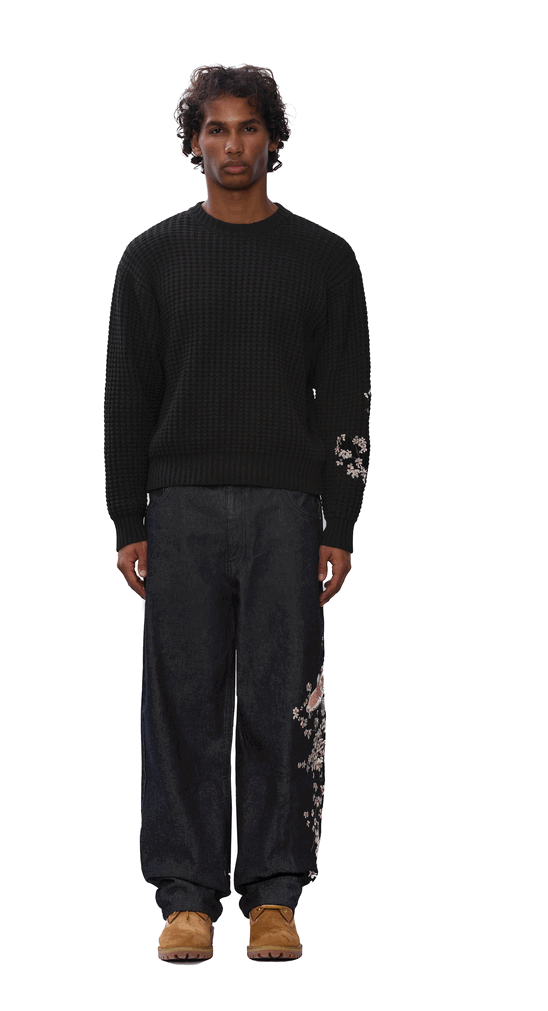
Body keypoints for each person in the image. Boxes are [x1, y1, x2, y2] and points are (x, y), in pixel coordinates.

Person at [103, 64, 372, 962]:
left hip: (287, 512)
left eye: (248, 128)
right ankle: (186, 899)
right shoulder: (152, 258)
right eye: (215, 129)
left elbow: (346, 397)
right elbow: (127, 395)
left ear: (274, 141)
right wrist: (128, 519)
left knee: (281, 701)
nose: (231, 145)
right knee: (182, 703)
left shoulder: (324, 259)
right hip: (179, 512)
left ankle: (275, 897)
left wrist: (339, 522)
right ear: (192, 142)